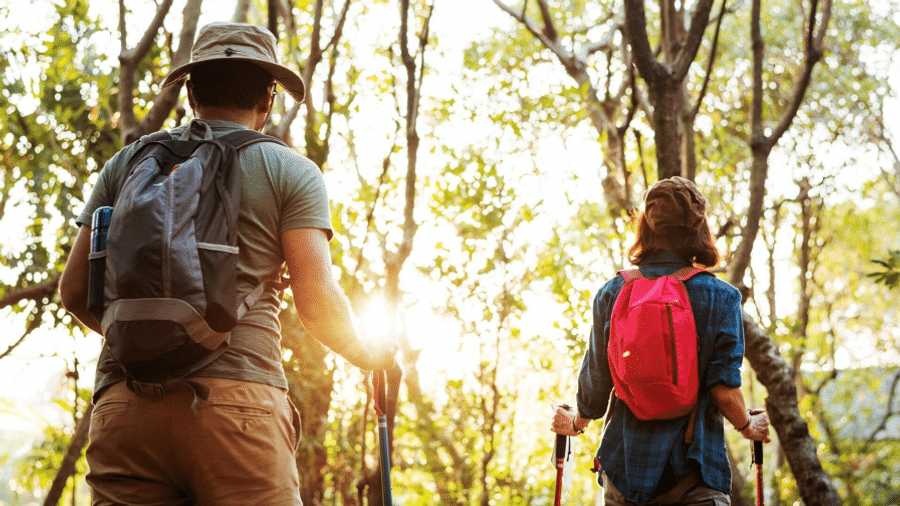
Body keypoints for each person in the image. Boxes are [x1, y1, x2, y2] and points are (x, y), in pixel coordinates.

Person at [59, 22, 397, 506]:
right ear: (269, 97)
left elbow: (74, 292)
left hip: (126, 406)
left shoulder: (128, 163)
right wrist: (371, 357)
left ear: (191, 92)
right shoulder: (290, 171)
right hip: (238, 408)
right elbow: (317, 304)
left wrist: (154, 342)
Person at [551, 176, 770, 505]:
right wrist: (748, 426)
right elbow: (724, 393)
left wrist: (576, 422)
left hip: (624, 470)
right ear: (699, 229)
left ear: (645, 225)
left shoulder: (613, 292)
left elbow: (595, 386)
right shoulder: (722, 297)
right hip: (695, 472)